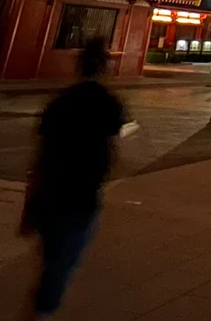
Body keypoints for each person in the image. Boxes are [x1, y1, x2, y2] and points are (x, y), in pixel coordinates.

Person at [21, 40, 127, 318]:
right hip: (82, 192)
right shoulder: (108, 103)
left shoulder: (60, 102)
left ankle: (42, 303)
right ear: (105, 66)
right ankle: (43, 309)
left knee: (51, 255)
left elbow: (40, 154)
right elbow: (115, 146)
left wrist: (28, 203)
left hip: (48, 189)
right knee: (62, 261)